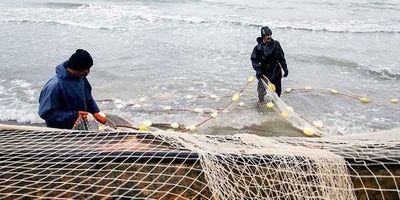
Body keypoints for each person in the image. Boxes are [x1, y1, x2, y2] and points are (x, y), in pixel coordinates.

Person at [38, 49, 107, 129]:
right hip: (61, 131)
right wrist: (75, 115)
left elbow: (88, 98)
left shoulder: (81, 78)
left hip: (81, 126)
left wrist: (95, 112)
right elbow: (46, 113)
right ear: (77, 68)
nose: (87, 73)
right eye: (86, 70)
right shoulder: (54, 86)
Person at [251, 26, 288, 100]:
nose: (269, 36)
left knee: (277, 91)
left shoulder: (276, 44)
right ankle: (260, 104)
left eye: (270, 34)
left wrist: (285, 68)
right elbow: (254, 60)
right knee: (261, 91)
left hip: (275, 71)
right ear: (263, 36)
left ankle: (276, 103)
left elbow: (281, 57)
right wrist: (258, 70)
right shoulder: (258, 47)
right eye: (267, 35)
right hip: (263, 72)